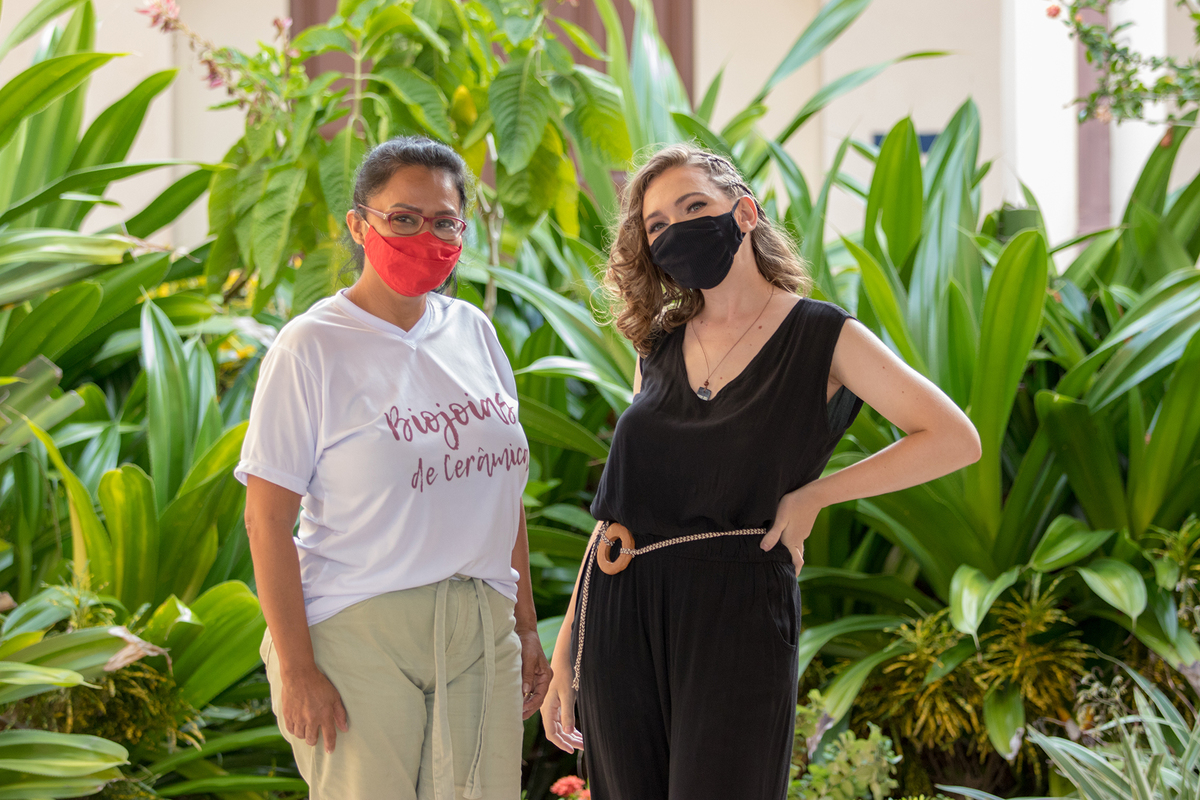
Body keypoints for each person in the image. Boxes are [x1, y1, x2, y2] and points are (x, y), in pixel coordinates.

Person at [540, 144, 983, 799]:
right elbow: (617, 509)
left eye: (695, 206)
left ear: (744, 212)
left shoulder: (821, 335)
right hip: (621, 607)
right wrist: (565, 654)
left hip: (738, 608)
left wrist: (817, 496)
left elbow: (953, 437)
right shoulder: (657, 347)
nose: (676, 229)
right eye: (657, 224)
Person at [236, 135, 551, 800]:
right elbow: (266, 520)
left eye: (443, 222)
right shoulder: (311, 347)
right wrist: (296, 670)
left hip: (479, 627)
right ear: (359, 223)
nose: (423, 235)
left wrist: (524, 628)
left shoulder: (474, 333)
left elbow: (502, 495)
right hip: (358, 631)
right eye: (402, 218)